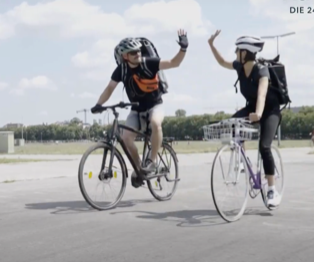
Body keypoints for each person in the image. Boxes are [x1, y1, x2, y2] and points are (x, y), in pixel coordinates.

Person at [91, 30, 189, 175]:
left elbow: (174, 63)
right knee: (125, 138)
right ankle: (139, 169)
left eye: (138, 51)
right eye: (133, 52)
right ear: (125, 56)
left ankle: (152, 162)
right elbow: (110, 88)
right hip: (136, 109)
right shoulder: (121, 70)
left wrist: (183, 48)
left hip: (155, 105)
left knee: (156, 123)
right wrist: (98, 104)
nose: (137, 54)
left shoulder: (149, 63)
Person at [207, 30, 283, 209]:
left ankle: (272, 189)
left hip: (270, 110)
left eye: (237, 50)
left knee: (264, 147)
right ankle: (241, 159)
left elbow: (262, 94)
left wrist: (258, 113)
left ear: (245, 52)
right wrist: (212, 45)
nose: (235, 53)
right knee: (231, 124)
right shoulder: (240, 67)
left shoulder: (261, 70)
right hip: (251, 108)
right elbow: (221, 62)